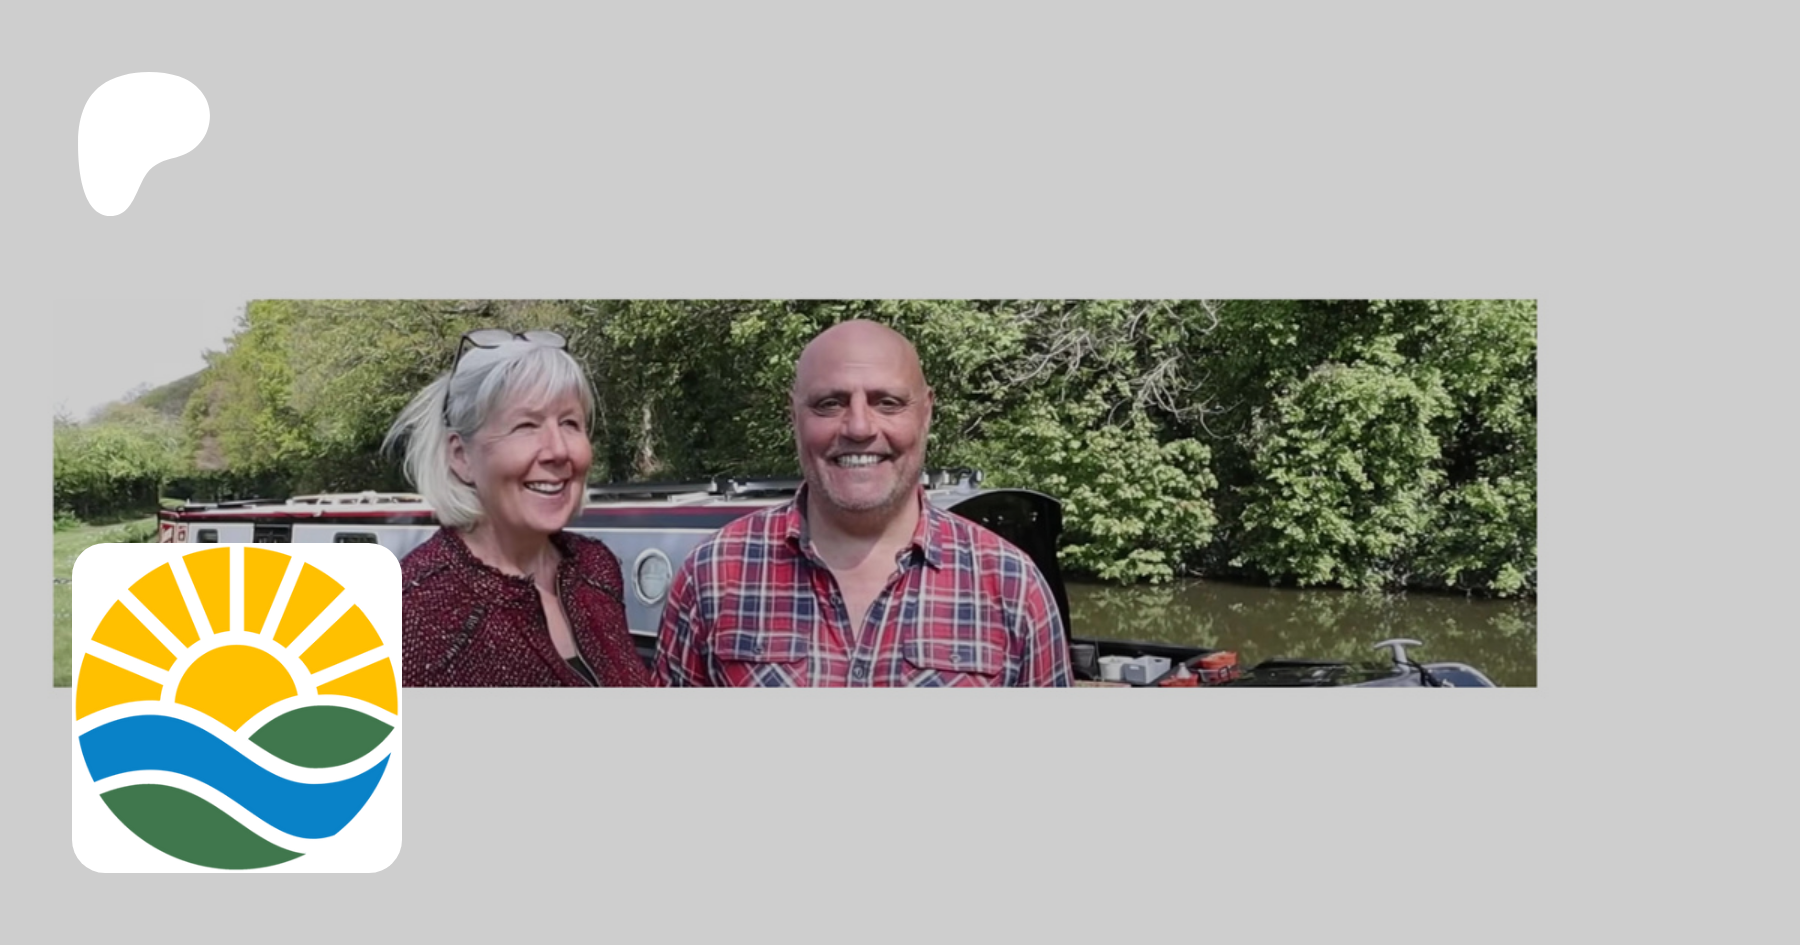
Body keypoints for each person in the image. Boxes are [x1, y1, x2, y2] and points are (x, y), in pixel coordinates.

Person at [654, 319, 1070, 687]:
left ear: (926, 413)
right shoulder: (712, 575)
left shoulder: (1013, 587)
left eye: (888, 402)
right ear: (793, 416)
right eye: (829, 403)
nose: (858, 427)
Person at [384, 329, 650, 687]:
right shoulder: (409, 614)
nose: (559, 450)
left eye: (570, 423)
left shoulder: (595, 569)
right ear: (461, 456)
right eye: (526, 426)